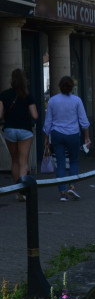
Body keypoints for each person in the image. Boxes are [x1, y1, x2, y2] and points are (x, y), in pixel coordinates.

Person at [43, 76, 91, 201]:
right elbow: (84, 121)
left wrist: (46, 138)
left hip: (57, 134)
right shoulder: (77, 100)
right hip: (73, 134)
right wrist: (87, 137)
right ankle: (72, 187)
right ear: (72, 87)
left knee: (60, 163)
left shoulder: (53, 100)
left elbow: (48, 122)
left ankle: (62, 193)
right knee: (74, 161)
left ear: (60, 86)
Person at [0, 68, 39, 202]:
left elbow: (0, 115)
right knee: (23, 161)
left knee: (15, 160)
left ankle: (16, 189)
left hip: (10, 129)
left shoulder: (4, 95)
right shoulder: (28, 95)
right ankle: (23, 190)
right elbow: (35, 115)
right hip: (25, 130)